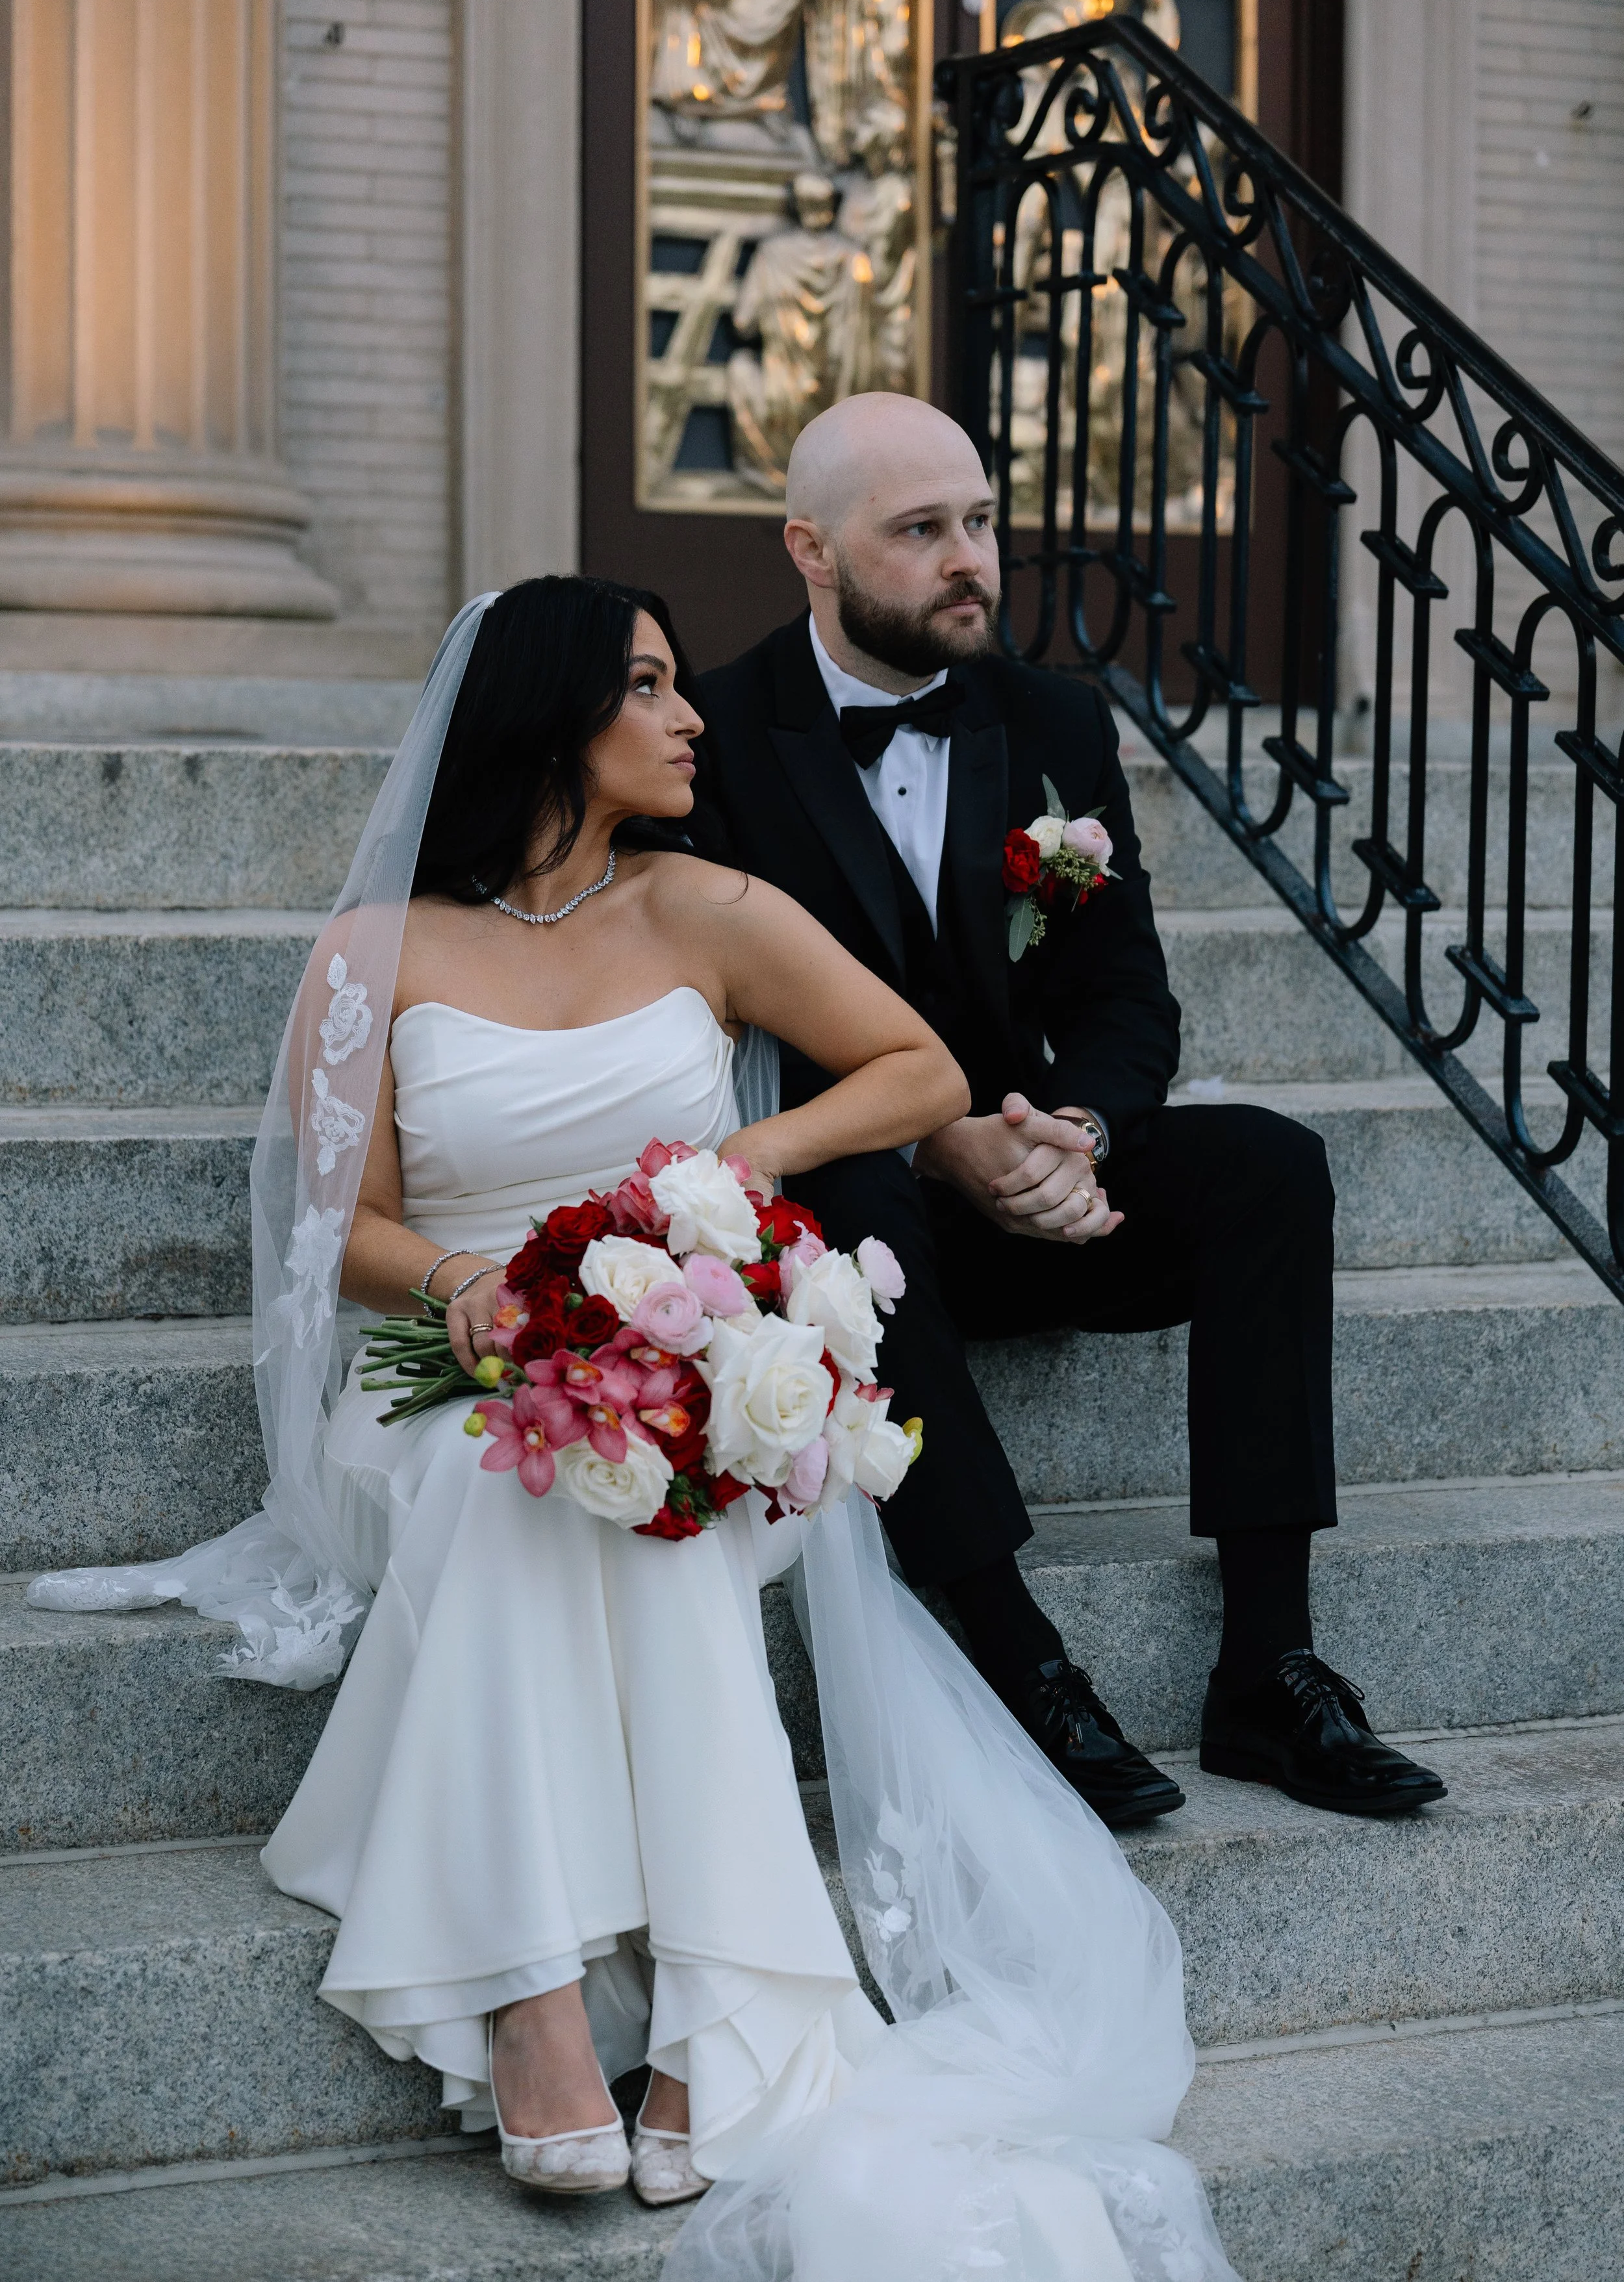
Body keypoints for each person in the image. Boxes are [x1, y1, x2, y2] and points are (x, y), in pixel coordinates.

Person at [31, 576, 1243, 2278]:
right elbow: (343, 1221)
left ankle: (664, 2009)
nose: (693, 719)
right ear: (552, 714)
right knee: (519, 1461)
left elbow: (906, 1066)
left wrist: (724, 1177)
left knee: (633, 1465)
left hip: (674, 1351)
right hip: (443, 1366)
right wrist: (468, 1280)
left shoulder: (704, 909)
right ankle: (592, 2002)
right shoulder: (376, 952)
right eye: (655, 686)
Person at [689, 392, 1448, 1829]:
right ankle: (1016, 1654)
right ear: (808, 548)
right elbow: (714, 1034)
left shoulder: (1048, 723)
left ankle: (1266, 1666)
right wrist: (934, 1138)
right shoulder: (717, 737)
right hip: (852, 1206)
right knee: (844, 1197)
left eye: (979, 521)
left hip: (1033, 1182)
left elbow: (1122, 1000)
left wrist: (1074, 1138)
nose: (969, 558)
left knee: (1268, 1170)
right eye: (919, 532)